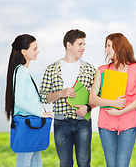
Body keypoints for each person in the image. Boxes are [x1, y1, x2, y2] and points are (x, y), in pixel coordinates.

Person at [39, 29, 96, 167]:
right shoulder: (52, 69)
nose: (83, 48)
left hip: (83, 122)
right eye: (80, 44)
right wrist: (60, 93)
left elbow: (98, 96)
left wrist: (88, 107)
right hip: (61, 123)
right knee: (65, 163)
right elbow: (43, 97)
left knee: (84, 163)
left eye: (84, 44)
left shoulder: (90, 69)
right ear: (69, 45)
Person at [89, 33, 136, 167]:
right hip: (106, 123)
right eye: (106, 46)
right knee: (111, 164)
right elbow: (92, 98)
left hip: (128, 123)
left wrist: (121, 111)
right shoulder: (102, 70)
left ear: (119, 47)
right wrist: (112, 103)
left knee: (121, 164)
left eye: (109, 46)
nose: (106, 49)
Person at [5, 34, 53, 167]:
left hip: (30, 125)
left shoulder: (23, 71)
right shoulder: (22, 72)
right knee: (24, 163)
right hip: (28, 125)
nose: (38, 51)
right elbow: (20, 101)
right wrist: (41, 114)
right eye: (35, 48)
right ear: (24, 52)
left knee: (36, 163)